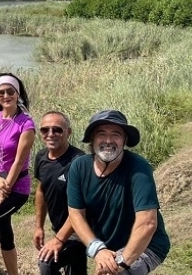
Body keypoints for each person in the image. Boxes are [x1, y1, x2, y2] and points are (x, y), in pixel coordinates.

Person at [67, 110, 170, 275]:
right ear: (92, 139)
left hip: (148, 244)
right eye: (101, 134)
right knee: (51, 258)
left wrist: (119, 264)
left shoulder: (139, 168)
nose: (108, 140)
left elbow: (148, 224)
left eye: (116, 134)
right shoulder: (79, 167)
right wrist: (97, 249)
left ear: (124, 140)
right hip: (107, 243)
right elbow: (75, 215)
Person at [0, 73, 35, 275]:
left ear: (17, 93)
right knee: (3, 228)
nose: (6, 95)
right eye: (1, 92)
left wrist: (4, 191)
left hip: (15, 187)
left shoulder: (26, 123)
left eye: (10, 91)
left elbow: (19, 161)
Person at [33, 111, 87, 275]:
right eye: (45, 130)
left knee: (47, 263)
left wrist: (58, 240)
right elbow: (42, 190)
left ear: (68, 132)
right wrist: (39, 227)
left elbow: (81, 209)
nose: (50, 134)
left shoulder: (79, 162)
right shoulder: (41, 157)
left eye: (57, 130)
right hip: (60, 228)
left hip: (81, 231)